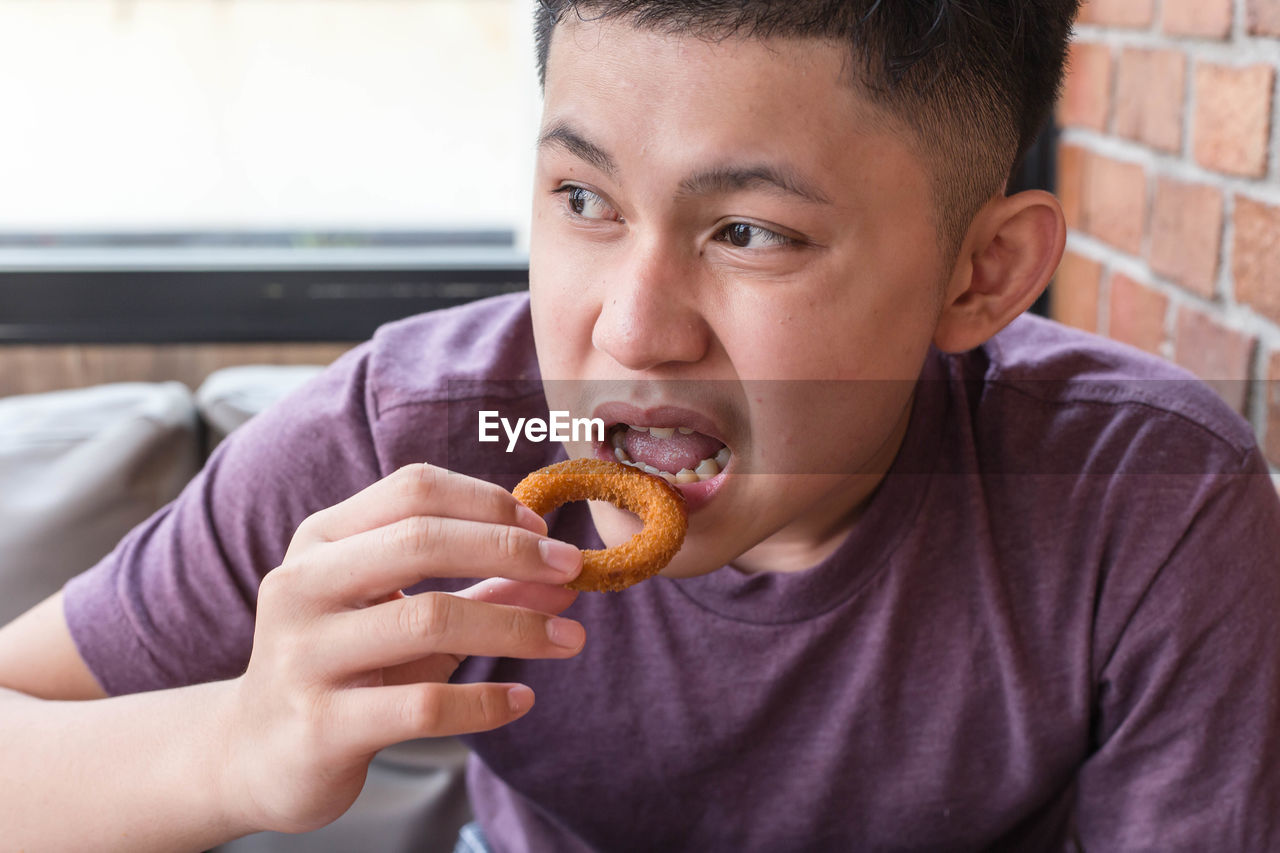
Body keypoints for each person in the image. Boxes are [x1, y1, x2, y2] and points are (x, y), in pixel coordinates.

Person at [3, 0, 1279, 849]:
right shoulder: (414, 436)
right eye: (582, 196)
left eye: (748, 233)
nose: (629, 329)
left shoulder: (1148, 500)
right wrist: (232, 742)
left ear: (980, 276)